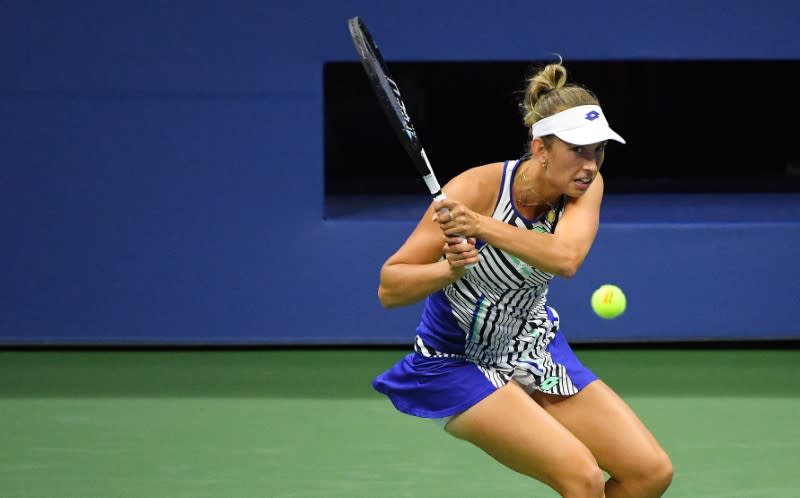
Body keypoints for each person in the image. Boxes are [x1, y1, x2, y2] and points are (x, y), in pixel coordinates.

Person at [372, 60, 673, 498]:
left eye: (598, 150)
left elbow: (566, 258)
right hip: (456, 362)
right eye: (577, 150)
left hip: (532, 347)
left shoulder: (584, 188)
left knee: (650, 473)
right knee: (584, 479)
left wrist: (480, 226)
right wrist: (447, 270)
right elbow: (389, 287)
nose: (590, 165)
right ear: (541, 149)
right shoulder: (475, 190)